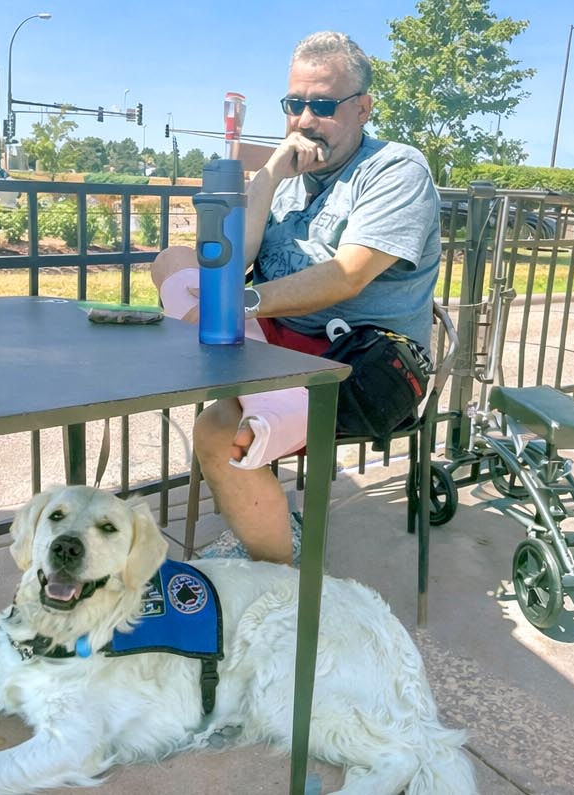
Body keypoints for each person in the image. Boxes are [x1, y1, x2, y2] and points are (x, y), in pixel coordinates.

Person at [150, 30, 441, 564]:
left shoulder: (396, 169)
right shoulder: (288, 177)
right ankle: (262, 400)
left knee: (218, 430)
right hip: (281, 343)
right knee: (174, 259)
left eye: (323, 105)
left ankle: (277, 573)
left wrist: (239, 305)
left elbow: (346, 276)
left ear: (362, 108)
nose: (304, 120)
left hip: (361, 359)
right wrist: (268, 174)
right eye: (294, 104)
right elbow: (230, 263)